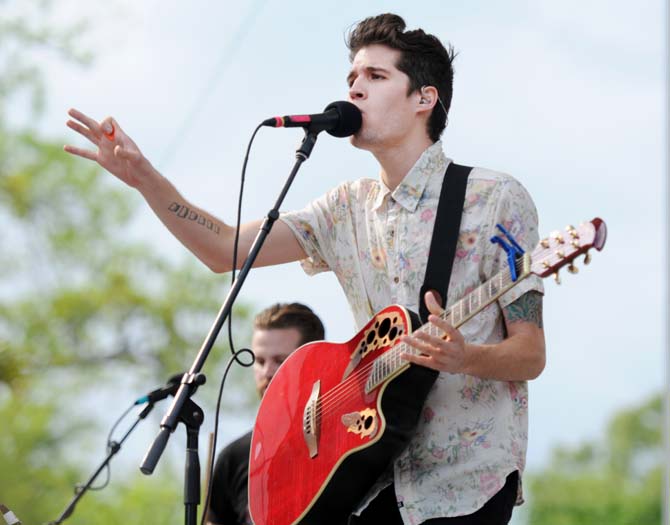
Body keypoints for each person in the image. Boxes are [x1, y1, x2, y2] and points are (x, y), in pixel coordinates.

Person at [64, 13, 546, 525]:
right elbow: (224, 249)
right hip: (364, 474)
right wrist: (143, 177)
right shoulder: (344, 208)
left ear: (424, 99)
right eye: (352, 78)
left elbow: (530, 353)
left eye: (376, 77)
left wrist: (464, 356)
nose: (356, 88)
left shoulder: (493, 199)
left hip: (464, 480)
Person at [207, 303, 325, 525]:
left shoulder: (344, 438)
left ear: (313, 361)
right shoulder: (234, 458)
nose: (267, 372)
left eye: (280, 360)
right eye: (260, 361)